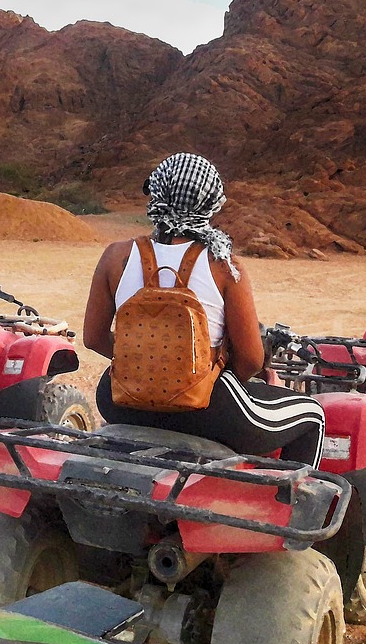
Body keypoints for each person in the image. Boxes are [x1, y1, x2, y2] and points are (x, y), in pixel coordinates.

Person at [83, 152, 325, 466]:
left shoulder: (115, 256)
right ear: (211, 201)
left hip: (122, 402)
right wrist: (199, 374)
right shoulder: (223, 264)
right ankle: (286, 508)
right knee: (314, 416)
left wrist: (148, 359)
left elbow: (93, 338)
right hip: (206, 409)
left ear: (156, 194)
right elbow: (251, 358)